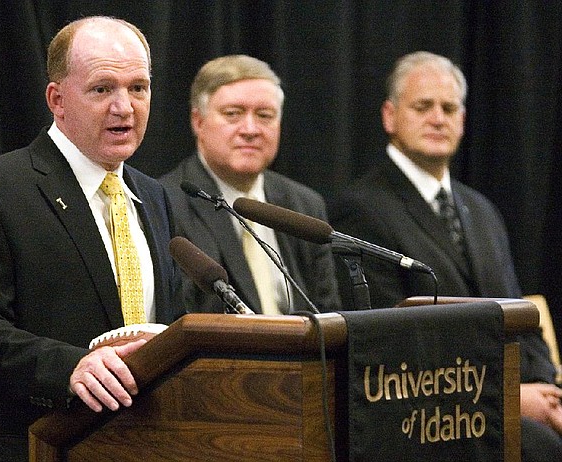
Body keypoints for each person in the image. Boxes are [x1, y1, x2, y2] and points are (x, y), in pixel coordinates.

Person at [0, 16, 182, 461]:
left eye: (138, 88)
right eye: (103, 89)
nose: (124, 107)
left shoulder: (154, 195)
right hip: (37, 444)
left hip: (142, 446)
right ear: (57, 99)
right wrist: (69, 368)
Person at [330, 51, 562, 461]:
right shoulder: (361, 209)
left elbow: (521, 314)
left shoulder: (482, 209)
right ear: (390, 116)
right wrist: (508, 397)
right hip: (434, 415)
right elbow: (393, 342)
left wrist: (550, 392)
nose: (438, 118)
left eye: (449, 108)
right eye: (423, 107)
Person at [160, 55, 340, 315]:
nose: (250, 129)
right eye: (233, 114)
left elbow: (329, 313)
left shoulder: (304, 205)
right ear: (198, 122)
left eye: (265, 115)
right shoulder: (166, 203)